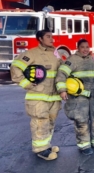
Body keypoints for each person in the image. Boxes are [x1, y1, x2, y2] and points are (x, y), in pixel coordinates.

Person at [10, 29, 62, 161]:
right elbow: (15, 67)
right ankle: (40, 149)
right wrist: (26, 83)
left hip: (54, 97)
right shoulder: (31, 54)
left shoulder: (55, 54)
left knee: (50, 122)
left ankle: (46, 145)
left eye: (52, 36)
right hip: (38, 96)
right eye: (48, 37)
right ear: (40, 39)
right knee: (40, 122)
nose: (52, 39)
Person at [55, 39, 94, 156]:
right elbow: (61, 75)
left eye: (87, 47)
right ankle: (84, 145)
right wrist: (62, 90)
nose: (85, 49)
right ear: (77, 48)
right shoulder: (72, 60)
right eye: (82, 47)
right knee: (81, 121)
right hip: (78, 98)